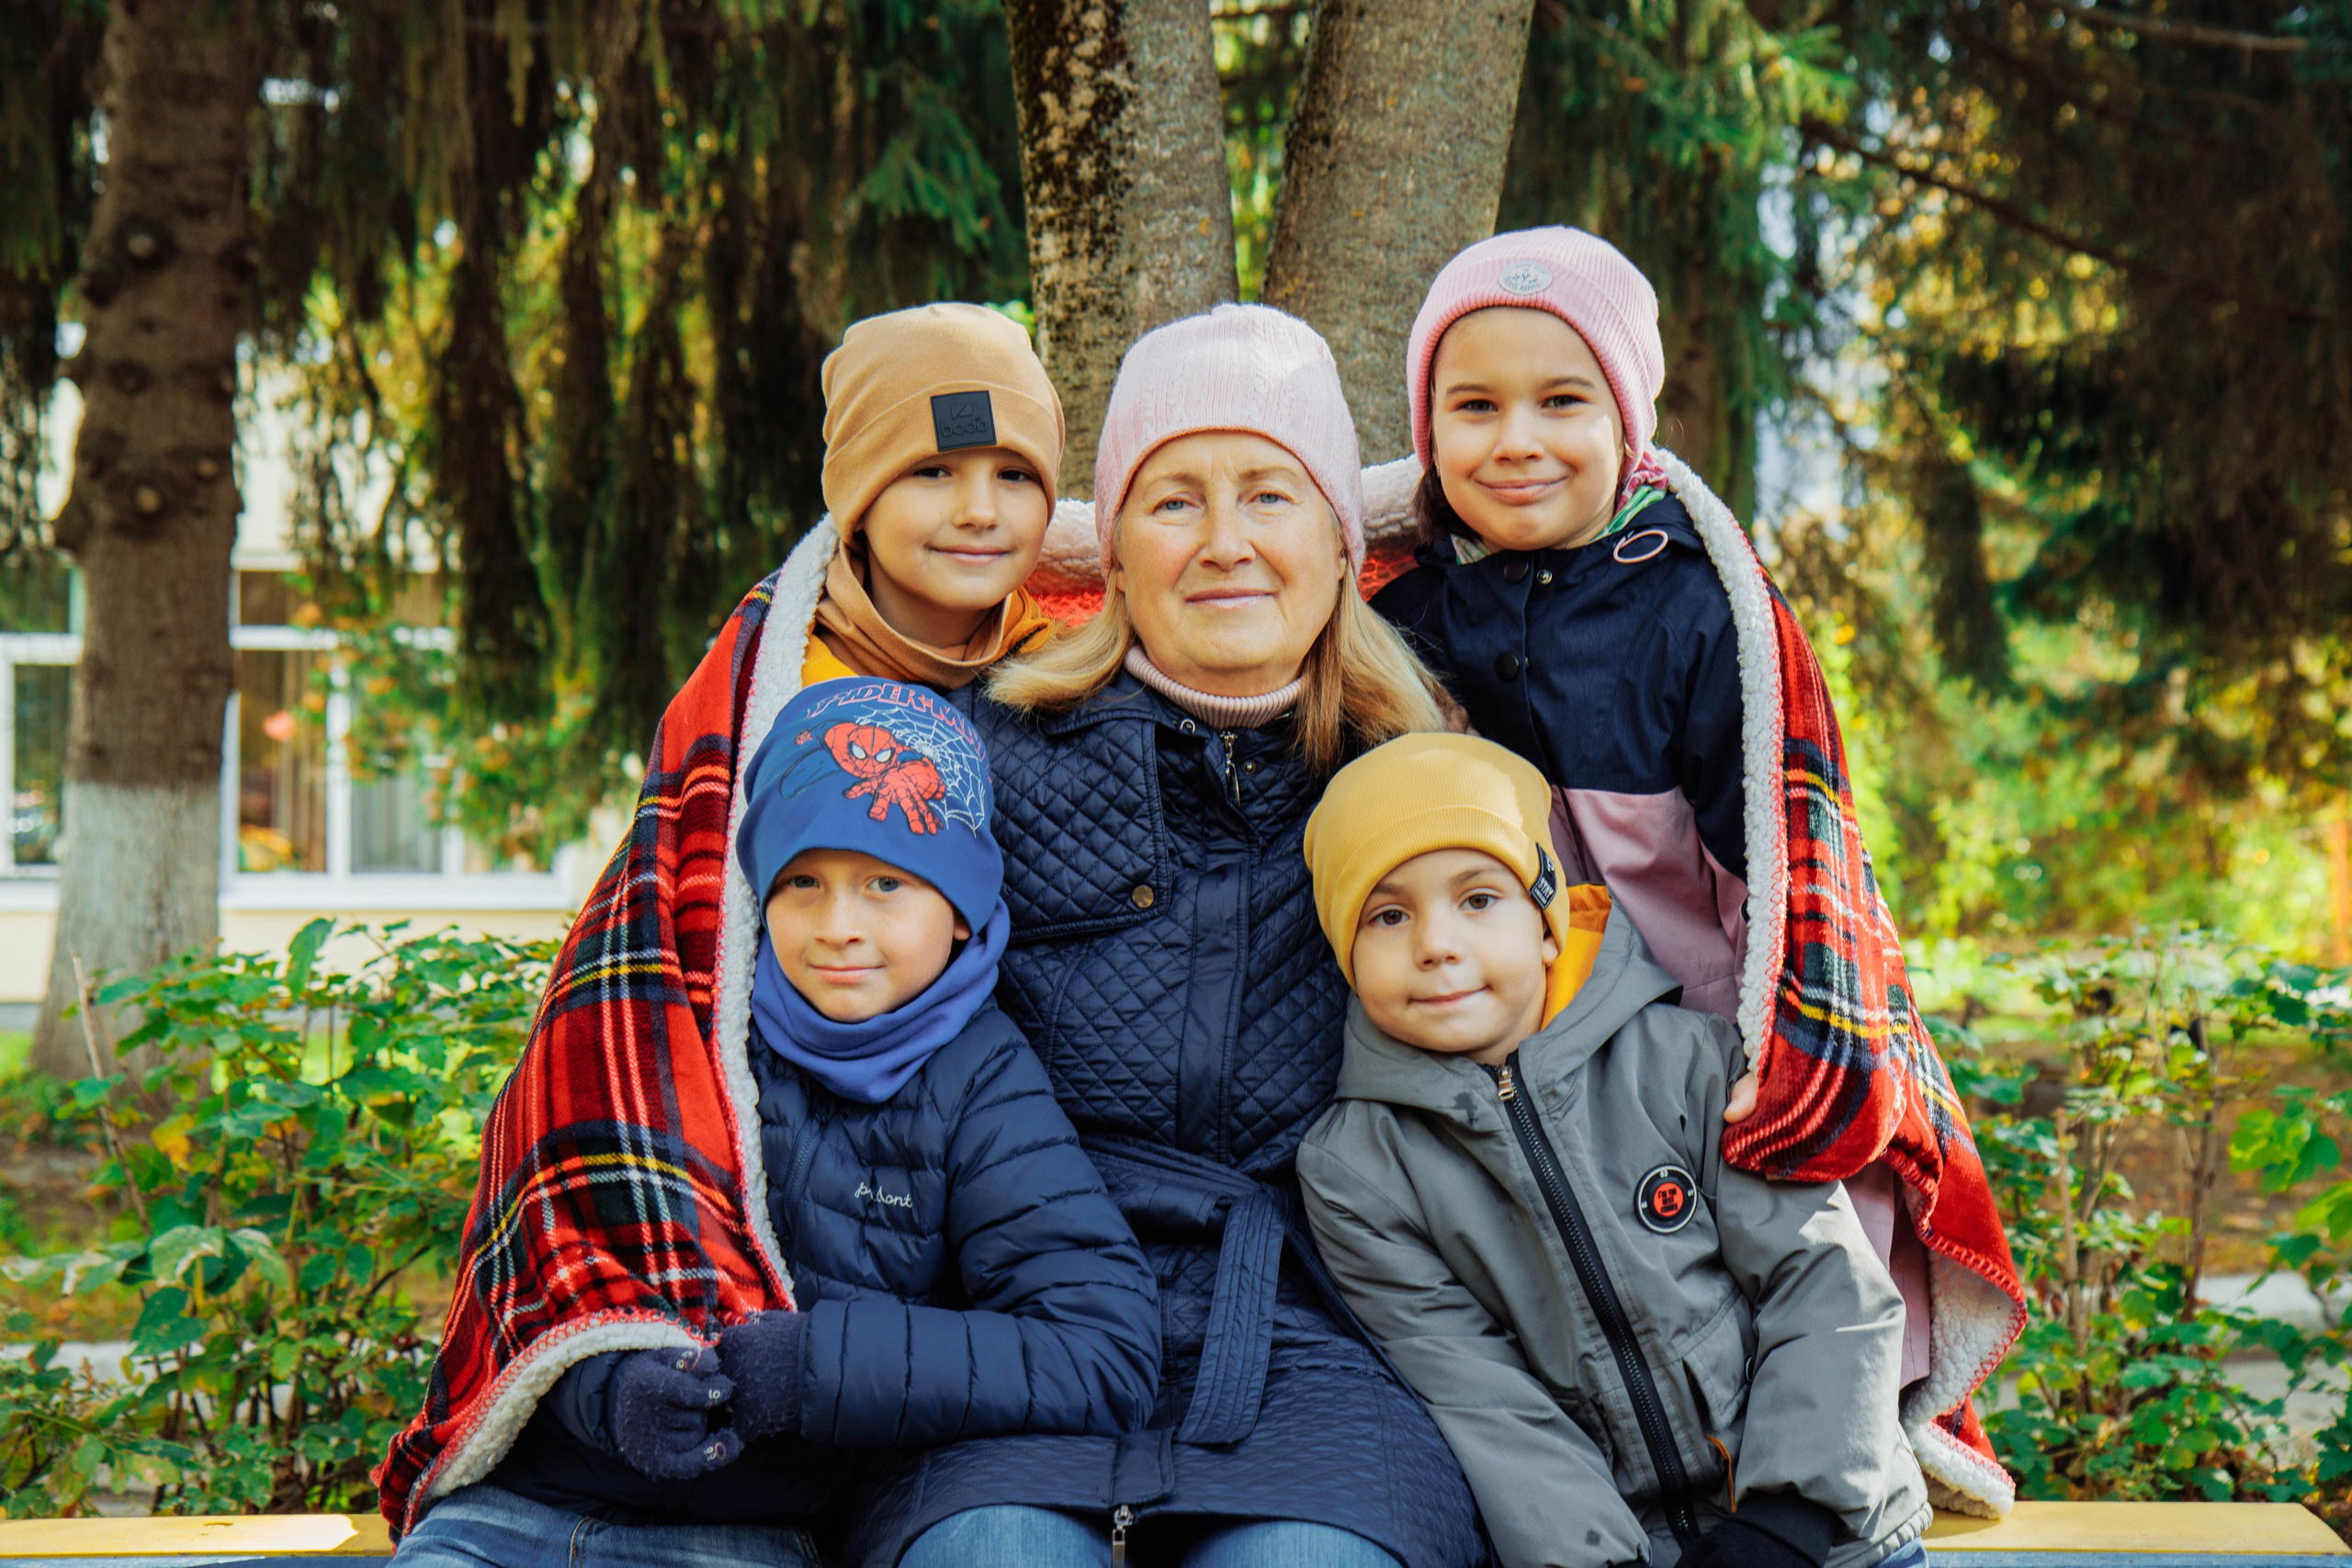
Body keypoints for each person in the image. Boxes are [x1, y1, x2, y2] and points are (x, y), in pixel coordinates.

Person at [376, 302, 1088, 1538]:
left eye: (1013, 475)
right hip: (803, 1090)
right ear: (859, 495)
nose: (979, 509)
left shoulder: (1065, 664)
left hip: (980, 1110)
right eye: (933, 470)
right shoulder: (774, 679)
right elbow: (681, 923)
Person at [1368, 226, 2026, 1516]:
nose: (1517, 440)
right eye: (1474, 405)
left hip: (1695, 1018)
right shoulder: (1407, 616)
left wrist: (1772, 1048)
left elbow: (1780, 855)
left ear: (1628, 417)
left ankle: (1829, 1461)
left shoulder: (1687, 604)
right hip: (1514, 1022)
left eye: (1564, 402)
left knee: (1773, 1237)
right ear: (1424, 428)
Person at [828, 305, 1483, 1568]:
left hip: (1321, 1341)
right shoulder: (975, 758)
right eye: (1174, 500)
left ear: (1343, 543)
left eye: (1270, 495)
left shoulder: (1425, 781)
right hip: (1017, 1328)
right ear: (1111, 551)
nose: (1225, 542)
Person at [387, 679, 1159, 1566]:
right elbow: (543, 1269)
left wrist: (813, 1368)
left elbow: (1101, 1349)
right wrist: (607, 1384)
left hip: (751, 1531)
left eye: (885, 883)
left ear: (961, 909)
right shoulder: (674, 1022)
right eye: (803, 881)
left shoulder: (979, 1079)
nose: (838, 926)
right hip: (527, 1506)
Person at [1295, 733, 1930, 1568]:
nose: (1436, 944)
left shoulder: (1692, 1064)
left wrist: (1788, 1520)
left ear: (1548, 920)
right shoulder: (1358, 1168)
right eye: (1388, 914)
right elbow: (1481, 1399)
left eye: (1479, 898)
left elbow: (1822, 1281)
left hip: (1826, 1532)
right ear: (1347, 952)